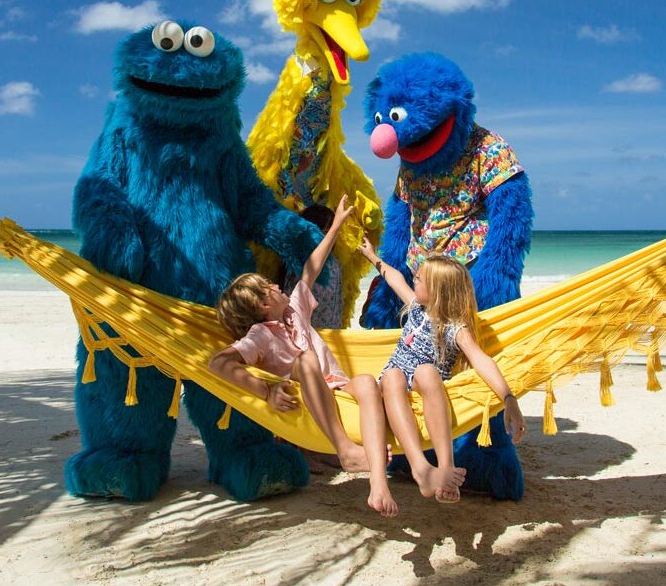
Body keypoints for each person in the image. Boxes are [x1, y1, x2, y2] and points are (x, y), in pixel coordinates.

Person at [209, 197, 398, 516]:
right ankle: (345, 449)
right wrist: (265, 391)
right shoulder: (261, 335)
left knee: (366, 381)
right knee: (306, 361)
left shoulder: (296, 311)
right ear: (261, 307)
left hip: (337, 390)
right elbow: (218, 363)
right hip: (306, 405)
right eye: (267, 287)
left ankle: (378, 482)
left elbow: (312, 266)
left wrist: (335, 226)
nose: (274, 284)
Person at [358, 239, 526, 503]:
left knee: (425, 371)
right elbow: (393, 277)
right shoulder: (415, 307)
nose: (415, 278)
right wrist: (372, 257)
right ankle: (420, 468)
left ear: (437, 291)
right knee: (392, 376)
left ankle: (445, 467)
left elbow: (481, 360)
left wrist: (509, 398)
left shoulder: (455, 327)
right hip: (396, 384)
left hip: (429, 386)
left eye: (421, 278)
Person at [276, 204, 343, 329]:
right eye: (326, 232)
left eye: (333, 232)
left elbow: (337, 304)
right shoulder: (298, 264)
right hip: (303, 336)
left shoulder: (334, 262)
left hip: (330, 336)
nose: (331, 238)